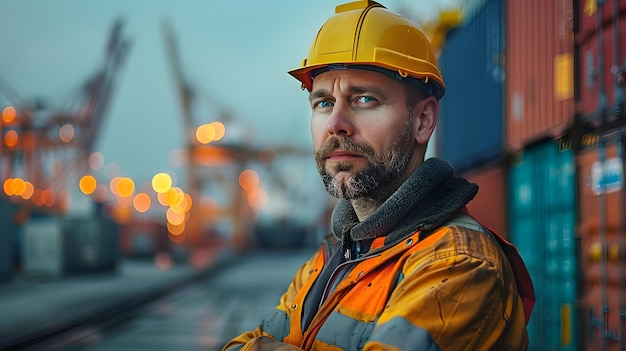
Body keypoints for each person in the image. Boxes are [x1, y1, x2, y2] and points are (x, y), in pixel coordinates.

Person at [222, 1, 535, 350]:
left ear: (423, 121)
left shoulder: (459, 266)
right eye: (323, 102)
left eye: (365, 99)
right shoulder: (333, 257)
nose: (336, 124)